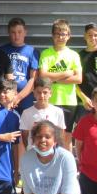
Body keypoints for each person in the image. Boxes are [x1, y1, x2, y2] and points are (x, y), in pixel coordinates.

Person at [38, 19, 82, 151]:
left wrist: (54, 79)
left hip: (69, 101)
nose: (60, 37)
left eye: (63, 34)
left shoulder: (73, 55)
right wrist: (66, 73)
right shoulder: (46, 53)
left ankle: (66, 161)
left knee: (66, 136)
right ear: (52, 35)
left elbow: (78, 78)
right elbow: (43, 75)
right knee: (49, 134)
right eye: (57, 34)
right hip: (50, 100)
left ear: (69, 36)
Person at [0, 17, 39, 113]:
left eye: (19, 32)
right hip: (6, 98)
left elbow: (33, 79)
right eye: (13, 32)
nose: (16, 35)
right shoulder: (1, 51)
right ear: (8, 33)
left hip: (26, 99)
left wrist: (18, 97)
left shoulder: (32, 51)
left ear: (25, 32)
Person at [18, 77, 66, 157]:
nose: (42, 95)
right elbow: (25, 136)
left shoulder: (58, 112)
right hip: (33, 153)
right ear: (34, 93)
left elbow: (61, 134)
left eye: (45, 92)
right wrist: (30, 148)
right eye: (39, 92)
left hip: (52, 153)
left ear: (50, 93)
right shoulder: (27, 113)